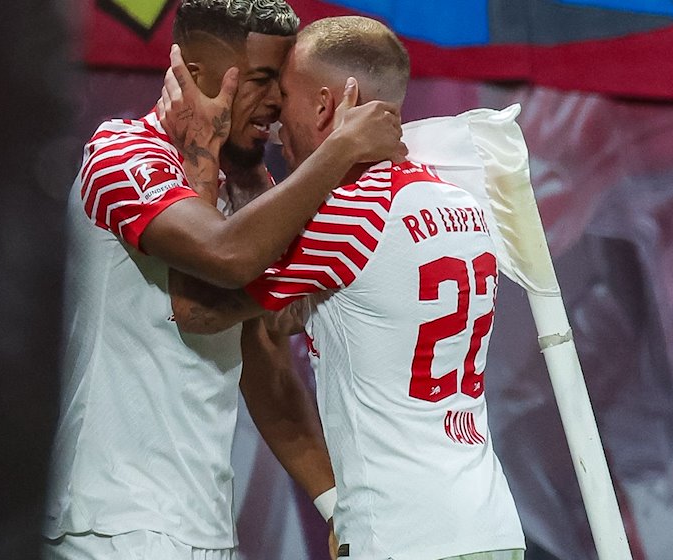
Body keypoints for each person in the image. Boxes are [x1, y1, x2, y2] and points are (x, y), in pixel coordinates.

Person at [41, 1, 406, 558]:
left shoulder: (243, 190)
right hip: (111, 523)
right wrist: (339, 150)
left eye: (282, 86)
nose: (278, 104)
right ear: (197, 75)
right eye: (261, 82)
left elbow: (268, 367)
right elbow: (221, 257)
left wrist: (337, 508)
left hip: (204, 525)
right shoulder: (120, 155)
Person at [169, 15, 526, 560]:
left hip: (401, 536)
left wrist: (202, 155)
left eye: (283, 94)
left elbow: (197, 307)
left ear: (323, 106)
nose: (272, 116)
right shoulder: (462, 204)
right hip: (490, 526)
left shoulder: (345, 218)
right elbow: (305, 311)